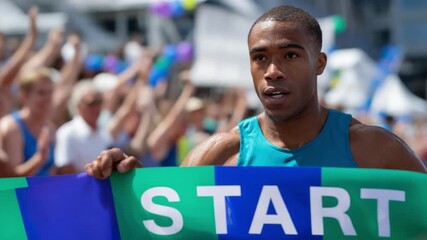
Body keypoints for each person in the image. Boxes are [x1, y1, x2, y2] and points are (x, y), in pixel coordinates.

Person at [85, 5, 426, 179]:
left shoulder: (377, 152)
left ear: (319, 63)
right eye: (260, 58)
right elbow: (165, 218)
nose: (273, 71)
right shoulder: (219, 156)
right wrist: (130, 182)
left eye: (290, 55)